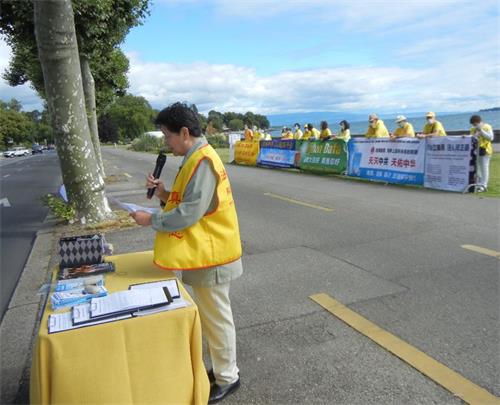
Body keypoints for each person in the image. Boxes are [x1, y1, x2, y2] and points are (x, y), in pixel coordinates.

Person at [130, 102, 242, 403]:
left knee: (217, 320)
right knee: (213, 318)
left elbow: (189, 214)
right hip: (204, 253)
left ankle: (228, 377)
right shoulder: (195, 158)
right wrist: (164, 194)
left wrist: (150, 219)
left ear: (184, 132)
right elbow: (187, 203)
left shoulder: (202, 160)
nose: (166, 142)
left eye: (167, 136)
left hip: (212, 254)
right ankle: (223, 370)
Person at [470, 114, 494, 192]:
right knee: (477, 168)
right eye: (473, 125)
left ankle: (484, 185)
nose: (474, 126)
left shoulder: (487, 126)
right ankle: (479, 183)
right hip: (476, 151)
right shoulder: (473, 129)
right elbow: (472, 138)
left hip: (485, 150)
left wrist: (481, 131)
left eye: (475, 124)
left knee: (484, 168)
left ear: (478, 122)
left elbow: (491, 137)